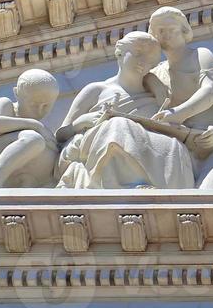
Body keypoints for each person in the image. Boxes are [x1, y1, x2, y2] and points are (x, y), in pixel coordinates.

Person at [55, 32, 196, 190]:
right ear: (120, 52)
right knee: (118, 125)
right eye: (138, 54)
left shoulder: (157, 96)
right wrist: (79, 123)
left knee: (175, 146)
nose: (143, 62)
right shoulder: (97, 90)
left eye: (150, 60)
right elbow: (60, 137)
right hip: (102, 139)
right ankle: (125, 185)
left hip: (149, 145)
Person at [147, 6, 213, 189]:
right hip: (188, 144)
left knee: (212, 188)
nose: (166, 35)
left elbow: (211, 90)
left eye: (172, 29)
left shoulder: (200, 55)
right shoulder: (156, 75)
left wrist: (177, 113)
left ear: (184, 31)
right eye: (160, 31)